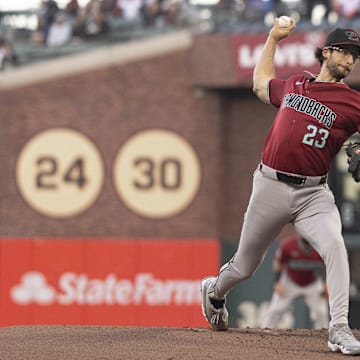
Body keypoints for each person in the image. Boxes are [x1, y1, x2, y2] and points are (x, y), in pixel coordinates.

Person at [200, 19, 360, 356]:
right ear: (327, 52)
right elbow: (260, 84)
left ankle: (339, 328)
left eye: (355, 56)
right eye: (345, 52)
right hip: (269, 185)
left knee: (335, 245)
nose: (350, 60)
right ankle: (215, 291)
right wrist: (273, 38)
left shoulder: (352, 103)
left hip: (313, 194)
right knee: (244, 266)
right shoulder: (296, 84)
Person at [262, 234, 329, 329]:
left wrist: (326, 284)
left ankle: (323, 337)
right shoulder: (288, 245)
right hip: (290, 281)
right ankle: (264, 333)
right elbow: (278, 263)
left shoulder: (322, 247)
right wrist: (277, 282)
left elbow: (329, 266)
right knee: (276, 310)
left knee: (321, 313)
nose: (307, 248)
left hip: (312, 282)